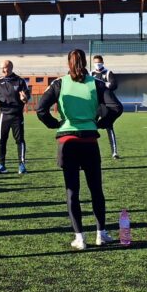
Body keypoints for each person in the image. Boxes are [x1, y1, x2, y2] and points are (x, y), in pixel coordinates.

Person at [36, 49, 123, 250]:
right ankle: (101, 234)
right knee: (96, 189)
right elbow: (116, 108)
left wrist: (54, 124)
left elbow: (41, 109)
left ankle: (80, 238)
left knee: (72, 190)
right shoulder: (97, 84)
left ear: (68, 63)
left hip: (67, 140)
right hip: (89, 141)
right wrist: (101, 123)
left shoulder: (59, 83)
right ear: (85, 63)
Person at [0, 60, 30, 174]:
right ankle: (1, 165)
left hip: (17, 116)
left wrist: (24, 98)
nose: (2, 70)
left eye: (4, 68)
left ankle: (22, 165)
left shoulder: (20, 81)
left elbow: (26, 97)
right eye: (1, 68)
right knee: (1, 140)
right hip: (3, 116)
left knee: (20, 140)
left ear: (10, 67)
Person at [91, 55, 121, 159]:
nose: (97, 65)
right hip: (95, 104)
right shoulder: (91, 74)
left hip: (106, 104)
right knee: (91, 127)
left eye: (99, 63)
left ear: (102, 63)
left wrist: (103, 84)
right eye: (95, 63)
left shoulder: (108, 73)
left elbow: (114, 85)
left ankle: (114, 152)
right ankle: (91, 151)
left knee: (109, 127)